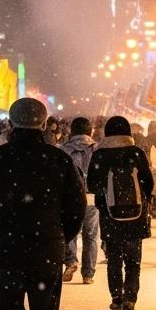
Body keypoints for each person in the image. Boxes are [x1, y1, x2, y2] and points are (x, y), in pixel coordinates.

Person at [0, 98, 86, 310]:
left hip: (7, 248)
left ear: (11, 123)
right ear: (44, 124)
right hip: (47, 248)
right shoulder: (58, 159)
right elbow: (76, 206)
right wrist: (59, 235)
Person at [86, 116, 154, 310]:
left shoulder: (100, 155)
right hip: (136, 214)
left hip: (110, 215)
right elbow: (148, 183)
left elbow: (92, 185)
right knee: (133, 261)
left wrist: (106, 194)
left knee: (114, 258)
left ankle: (117, 297)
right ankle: (130, 301)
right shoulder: (136, 152)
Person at [60, 117, 100, 285]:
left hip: (71, 197)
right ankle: (88, 273)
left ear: (72, 130)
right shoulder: (97, 149)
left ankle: (71, 261)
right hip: (91, 197)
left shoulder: (64, 149)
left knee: (70, 231)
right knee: (91, 235)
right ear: (90, 131)